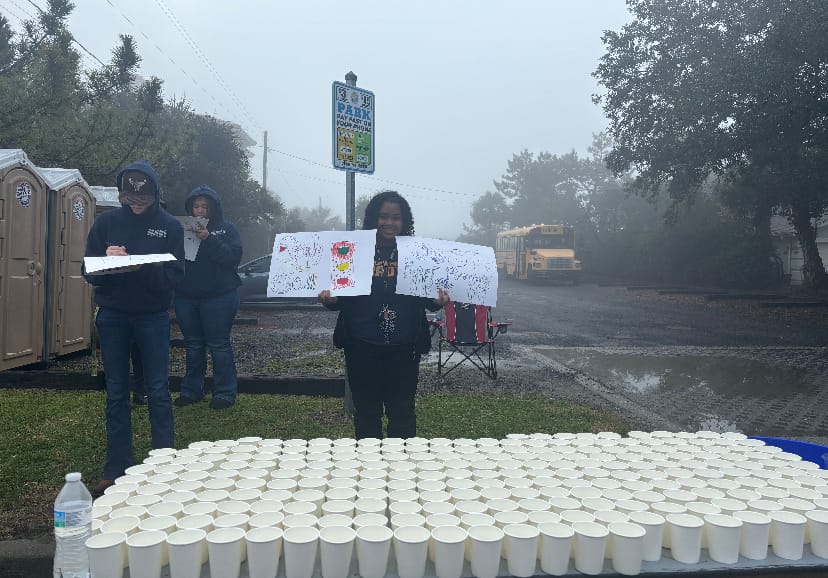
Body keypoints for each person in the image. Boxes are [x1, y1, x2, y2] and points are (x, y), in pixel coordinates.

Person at [84, 160, 185, 497]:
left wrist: (144, 267)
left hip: (152, 316)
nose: (137, 204)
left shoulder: (169, 226)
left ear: (155, 194)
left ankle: (163, 466)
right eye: (130, 198)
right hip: (112, 315)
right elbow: (89, 270)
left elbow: (176, 276)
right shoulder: (106, 222)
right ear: (121, 194)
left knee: (158, 389)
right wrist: (107, 260)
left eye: (143, 199)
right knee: (116, 391)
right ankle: (116, 469)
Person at [318, 190, 449, 439]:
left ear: (405, 221)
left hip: (404, 349)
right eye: (383, 216)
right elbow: (341, 297)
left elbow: (426, 299)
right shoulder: (353, 251)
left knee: (403, 414)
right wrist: (330, 300)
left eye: (396, 217)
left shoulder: (417, 254)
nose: (389, 223)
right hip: (361, 347)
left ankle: (401, 462)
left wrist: (437, 301)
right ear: (373, 219)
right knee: (366, 414)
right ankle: (369, 463)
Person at [173, 185, 243, 410]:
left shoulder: (226, 229)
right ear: (190, 208)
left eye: (205, 206)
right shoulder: (181, 229)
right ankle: (191, 391)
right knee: (193, 345)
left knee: (219, 344)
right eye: (196, 206)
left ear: (213, 208)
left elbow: (233, 257)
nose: (200, 210)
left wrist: (208, 239)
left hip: (219, 297)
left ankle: (224, 392)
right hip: (186, 297)